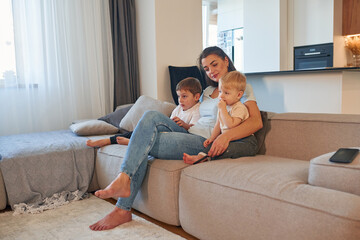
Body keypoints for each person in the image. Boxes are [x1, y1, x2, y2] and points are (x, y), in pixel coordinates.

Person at [89, 46, 263, 231]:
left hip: (202, 141)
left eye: (214, 64)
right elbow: (196, 115)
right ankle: (124, 179)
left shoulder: (240, 87)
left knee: (142, 143)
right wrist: (182, 121)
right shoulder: (206, 91)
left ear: (226, 61)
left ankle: (122, 207)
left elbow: (256, 122)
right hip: (189, 132)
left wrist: (226, 136)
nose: (211, 71)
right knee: (150, 116)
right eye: (206, 68)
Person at [86, 77, 202, 148]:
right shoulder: (178, 108)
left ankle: (133, 142)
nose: (180, 100)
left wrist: (184, 124)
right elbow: (169, 122)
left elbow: (195, 129)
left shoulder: (197, 109)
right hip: (168, 132)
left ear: (197, 96)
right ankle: (109, 140)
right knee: (142, 130)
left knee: (151, 133)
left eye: (184, 96)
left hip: (181, 135)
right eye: (178, 96)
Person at [183, 71, 249, 163]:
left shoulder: (239, 108)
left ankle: (205, 158)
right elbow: (218, 124)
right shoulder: (223, 107)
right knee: (214, 144)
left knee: (224, 149)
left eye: (226, 93)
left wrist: (223, 110)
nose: (221, 96)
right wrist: (211, 138)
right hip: (228, 139)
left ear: (238, 95)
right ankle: (200, 157)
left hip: (245, 141)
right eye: (220, 91)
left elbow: (231, 125)